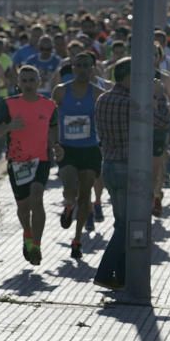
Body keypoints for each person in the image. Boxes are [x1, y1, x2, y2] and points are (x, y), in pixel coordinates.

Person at [92, 57, 170, 289]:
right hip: (130, 169)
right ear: (129, 78)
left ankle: (122, 275)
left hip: (109, 166)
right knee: (129, 224)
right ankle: (105, 272)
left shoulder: (102, 99)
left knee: (121, 222)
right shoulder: (134, 103)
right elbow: (163, 121)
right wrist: (159, 96)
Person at [0, 65, 58, 266]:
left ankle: (36, 244)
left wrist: (56, 146)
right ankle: (27, 233)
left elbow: (53, 128)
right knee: (23, 206)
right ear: (18, 83)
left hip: (41, 159)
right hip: (17, 160)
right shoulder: (8, 105)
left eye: (31, 80)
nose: (28, 84)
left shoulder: (49, 105)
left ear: (39, 82)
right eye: (24, 80)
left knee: (37, 198)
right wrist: (9, 126)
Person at [51, 51, 104, 259]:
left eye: (86, 66)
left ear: (93, 69)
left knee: (85, 197)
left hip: (90, 149)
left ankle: (77, 239)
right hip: (67, 149)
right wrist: (55, 144)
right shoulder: (61, 92)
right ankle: (68, 205)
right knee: (70, 187)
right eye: (79, 65)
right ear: (72, 68)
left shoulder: (98, 94)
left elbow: (104, 121)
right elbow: (51, 120)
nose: (83, 69)